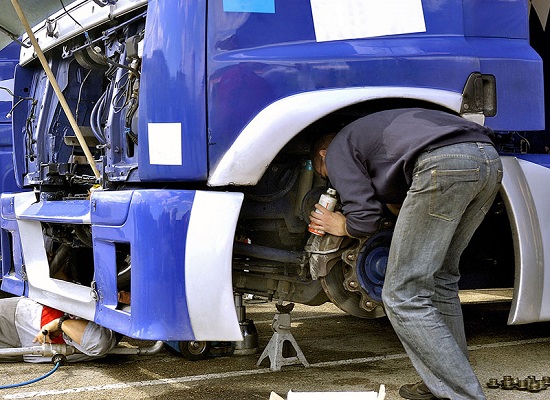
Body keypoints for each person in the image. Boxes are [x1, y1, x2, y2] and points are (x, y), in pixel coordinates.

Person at [309, 108, 502, 400]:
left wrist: (342, 224)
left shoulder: (336, 149)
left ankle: (463, 395)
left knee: (401, 294)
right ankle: (441, 379)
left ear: (322, 156)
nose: (332, 182)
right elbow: (402, 202)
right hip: (487, 160)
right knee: (441, 279)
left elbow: (366, 220)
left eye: (326, 176)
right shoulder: (373, 141)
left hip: (444, 164)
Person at [0, 296, 121, 363]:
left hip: (27, 326)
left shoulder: (99, 340)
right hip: (25, 327)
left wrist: (59, 324)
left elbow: (98, 343)